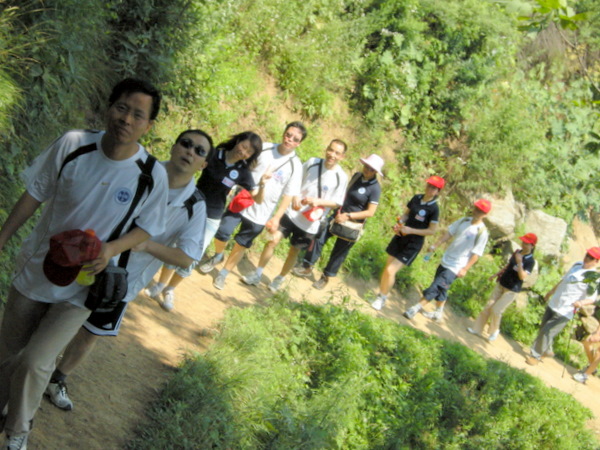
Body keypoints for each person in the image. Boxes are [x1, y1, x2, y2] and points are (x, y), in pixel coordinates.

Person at [0, 78, 168, 448]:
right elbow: (34, 194)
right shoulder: (73, 144)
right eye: (121, 108)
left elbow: (148, 227)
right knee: (8, 354)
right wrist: (2, 238)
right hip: (37, 268)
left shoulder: (150, 174)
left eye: (138, 115)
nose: (126, 119)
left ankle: (17, 432)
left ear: (148, 125)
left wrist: (111, 249)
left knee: (36, 360)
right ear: (109, 107)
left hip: (85, 285)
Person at [45, 129, 211, 411]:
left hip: (122, 280)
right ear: (174, 147)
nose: (190, 152)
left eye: (199, 151)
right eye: (186, 144)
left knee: (91, 332)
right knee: (53, 313)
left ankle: (57, 379)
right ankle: (30, 367)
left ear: (203, 165)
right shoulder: (140, 171)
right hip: (87, 258)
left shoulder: (194, 206)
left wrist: (146, 245)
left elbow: (186, 258)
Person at [146, 131, 264, 310]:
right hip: (190, 206)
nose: (243, 152)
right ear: (238, 140)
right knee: (175, 247)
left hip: (211, 217)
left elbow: (258, 199)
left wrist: (263, 184)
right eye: (244, 146)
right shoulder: (213, 153)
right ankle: (160, 285)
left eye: (249, 152)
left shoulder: (242, 171)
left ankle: (170, 289)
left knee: (192, 256)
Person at [205, 122, 306, 290]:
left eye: (295, 139)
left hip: (262, 212)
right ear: (284, 133)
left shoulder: (295, 166)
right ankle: (218, 255)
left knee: (241, 243)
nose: (290, 140)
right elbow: (243, 164)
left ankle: (223, 273)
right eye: (288, 135)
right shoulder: (264, 148)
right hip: (242, 199)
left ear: (299, 143)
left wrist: (277, 217)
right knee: (222, 231)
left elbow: (289, 195)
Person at [242, 139, 348, 292]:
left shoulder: (341, 177)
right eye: (330, 150)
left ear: (342, 157)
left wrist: (318, 201)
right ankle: (257, 274)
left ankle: (279, 279)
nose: (332, 155)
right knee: (272, 240)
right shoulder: (312, 162)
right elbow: (296, 181)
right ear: (326, 149)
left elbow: (337, 202)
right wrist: (296, 197)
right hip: (292, 212)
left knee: (294, 251)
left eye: (337, 153)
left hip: (310, 223)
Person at [293, 154, 383, 290]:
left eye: (371, 169)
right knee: (319, 237)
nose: (367, 170)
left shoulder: (375, 188)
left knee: (339, 252)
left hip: (352, 223)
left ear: (375, 172)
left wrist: (348, 216)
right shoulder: (357, 176)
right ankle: (307, 266)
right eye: (366, 166)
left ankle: (325, 277)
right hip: (337, 216)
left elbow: (370, 212)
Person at [402, 199, 491, 322]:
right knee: (442, 288)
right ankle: (438, 313)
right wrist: (436, 245)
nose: (477, 212)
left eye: (481, 211)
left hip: (457, 266)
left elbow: (476, 254)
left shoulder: (482, 232)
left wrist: (465, 269)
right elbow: (449, 233)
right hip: (447, 259)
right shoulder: (464, 221)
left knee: (436, 286)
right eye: (477, 209)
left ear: (485, 215)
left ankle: (415, 308)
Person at [370, 176, 444, 310]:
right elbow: (406, 214)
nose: (430, 189)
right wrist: (399, 223)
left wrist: (411, 231)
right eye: (429, 185)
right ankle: (380, 295)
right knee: (387, 268)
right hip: (400, 236)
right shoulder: (416, 198)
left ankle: (382, 298)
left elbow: (432, 231)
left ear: (438, 191)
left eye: (434, 188)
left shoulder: (434, 208)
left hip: (413, 244)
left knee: (391, 270)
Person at [526, 247, 600, 366]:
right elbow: (563, 280)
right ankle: (547, 351)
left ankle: (535, 356)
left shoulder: (593, 278)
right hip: (555, 302)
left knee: (547, 332)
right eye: (587, 255)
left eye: (591, 257)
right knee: (543, 328)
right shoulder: (577, 265)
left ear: (596, 261)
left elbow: (592, 298)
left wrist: (580, 303)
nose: (587, 258)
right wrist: (551, 292)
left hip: (566, 310)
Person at [467, 233, 537, 342]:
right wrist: (496, 274)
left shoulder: (530, 261)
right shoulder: (517, 252)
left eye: (527, 244)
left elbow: (522, 276)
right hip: (502, 283)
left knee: (496, 310)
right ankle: (477, 329)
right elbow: (508, 266)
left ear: (532, 246)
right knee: (488, 306)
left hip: (512, 289)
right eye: (523, 242)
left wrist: (519, 262)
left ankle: (494, 331)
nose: (524, 245)